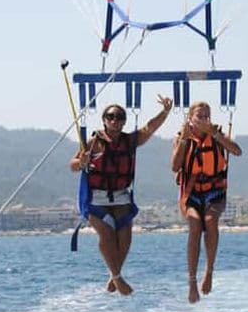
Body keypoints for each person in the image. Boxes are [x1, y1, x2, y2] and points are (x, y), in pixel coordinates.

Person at [70, 95, 172, 295]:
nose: (115, 121)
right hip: (96, 198)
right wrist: (81, 162)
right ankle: (117, 278)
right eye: (111, 117)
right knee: (107, 236)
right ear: (104, 120)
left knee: (124, 239)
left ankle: (113, 274)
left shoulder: (130, 141)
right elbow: (72, 165)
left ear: (124, 120)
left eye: (119, 117)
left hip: (121, 196)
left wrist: (165, 111)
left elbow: (149, 128)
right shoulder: (93, 142)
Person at [171, 101, 242, 303]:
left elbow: (237, 151)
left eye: (206, 116)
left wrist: (217, 135)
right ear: (190, 118)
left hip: (215, 191)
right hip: (191, 192)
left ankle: (209, 271)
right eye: (199, 116)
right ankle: (192, 281)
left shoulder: (216, 135)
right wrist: (184, 140)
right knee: (195, 224)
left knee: (210, 221)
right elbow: (175, 167)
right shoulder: (181, 137)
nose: (203, 120)